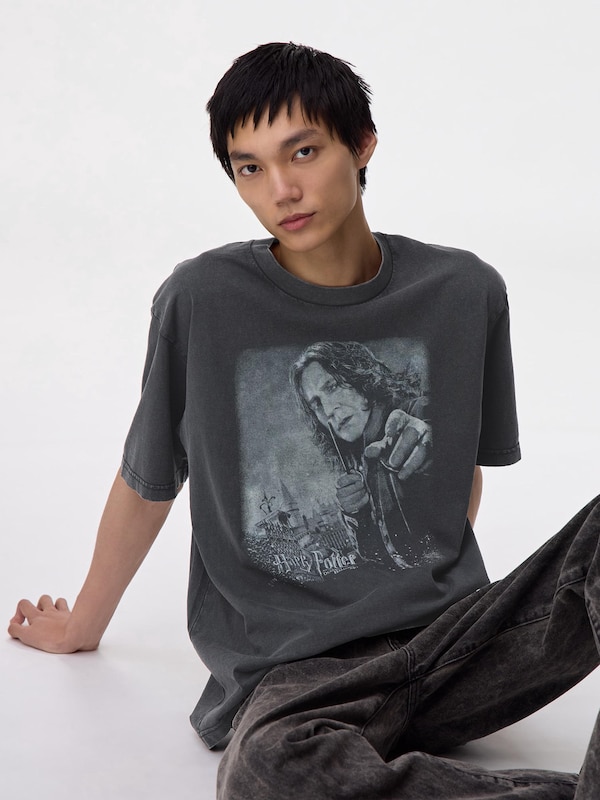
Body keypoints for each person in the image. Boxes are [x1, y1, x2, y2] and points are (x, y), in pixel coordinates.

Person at [8, 42, 600, 799]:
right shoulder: (202, 300)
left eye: (304, 152)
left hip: (460, 644)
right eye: (249, 168)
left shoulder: (465, 290)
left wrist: (409, 544)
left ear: (363, 144)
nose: (281, 190)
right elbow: (150, 476)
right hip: (299, 674)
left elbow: (459, 478)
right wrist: (83, 625)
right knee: (265, 771)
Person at [291, 340, 433, 568]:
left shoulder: (415, 412)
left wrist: (434, 438)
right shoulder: (357, 462)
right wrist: (358, 513)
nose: (328, 411)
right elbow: (377, 557)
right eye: (316, 404)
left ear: (361, 378)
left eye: (332, 386)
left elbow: (430, 424)